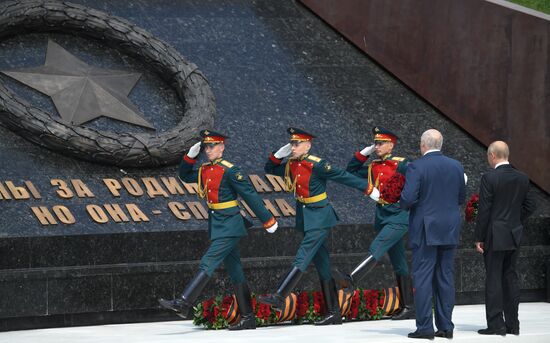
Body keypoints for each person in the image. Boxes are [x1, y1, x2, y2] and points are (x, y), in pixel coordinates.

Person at [158, 130, 278, 331]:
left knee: (210, 259)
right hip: (217, 222)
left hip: (230, 223)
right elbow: (185, 175)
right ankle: (248, 317)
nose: (208, 150)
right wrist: (191, 156)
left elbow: (250, 196)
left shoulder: (231, 170)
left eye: (212, 146)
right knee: (235, 271)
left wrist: (268, 220)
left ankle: (184, 301)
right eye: (206, 147)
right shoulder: (205, 169)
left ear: (222, 147)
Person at [258, 127, 375, 326]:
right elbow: (269, 168)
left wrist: (368, 188)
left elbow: (343, 176)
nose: (293, 147)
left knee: (303, 254)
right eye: (292, 144)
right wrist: (280, 154)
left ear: (308, 145)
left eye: (297, 144)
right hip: (306, 217)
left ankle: (280, 295)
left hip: (320, 216)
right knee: (322, 264)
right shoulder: (292, 164)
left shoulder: (318, 165)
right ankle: (336, 307)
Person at [335, 126, 414, 320]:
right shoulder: (373, 167)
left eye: (380, 143)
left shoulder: (403, 164)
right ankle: (409, 307)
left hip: (399, 216)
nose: (377, 146)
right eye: (375, 143)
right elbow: (350, 171)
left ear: (391, 145)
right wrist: (365, 152)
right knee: (399, 263)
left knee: (376, 247)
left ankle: (351, 279)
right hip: (383, 216)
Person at [400, 129, 466, 339]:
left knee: (423, 277)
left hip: (425, 229)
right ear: (441, 144)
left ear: (423, 145)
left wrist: (400, 201)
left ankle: (425, 327)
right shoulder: (456, 166)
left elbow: (408, 199)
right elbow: (461, 198)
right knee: (445, 276)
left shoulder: (416, 166)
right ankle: (446, 327)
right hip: (449, 227)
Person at [475, 141, 536, 336]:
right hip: (514, 233)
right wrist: (516, 220)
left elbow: (484, 211)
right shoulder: (522, 177)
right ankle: (513, 325)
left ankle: (496, 325)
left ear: (493, 156)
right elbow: (531, 205)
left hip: (494, 234)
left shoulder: (489, 177)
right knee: (510, 277)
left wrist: (479, 237)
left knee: (493, 278)